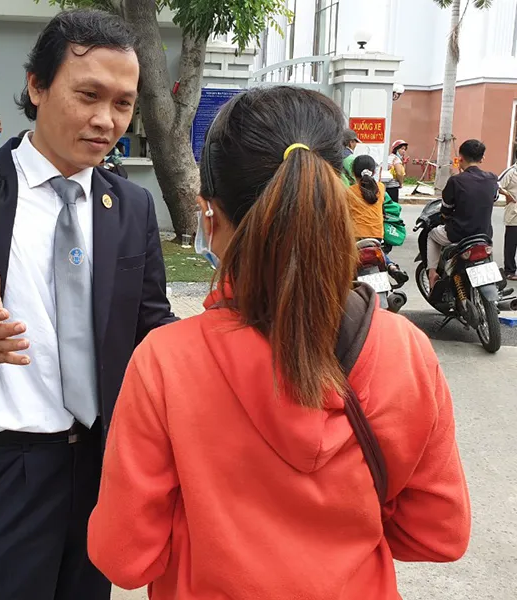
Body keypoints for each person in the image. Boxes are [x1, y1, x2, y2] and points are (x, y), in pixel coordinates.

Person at [88, 86, 471, 599]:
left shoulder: (165, 362)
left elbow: (125, 557)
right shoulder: (404, 349)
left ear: (209, 214)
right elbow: (437, 533)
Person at [0, 9, 176, 600]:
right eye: (88, 95)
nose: (106, 120)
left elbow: (151, 324)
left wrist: (221, 341)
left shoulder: (131, 208)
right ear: (37, 86)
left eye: (123, 104)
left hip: (98, 469)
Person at [427, 139, 499, 289]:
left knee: (432, 235)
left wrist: (446, 217)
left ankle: (432, 273)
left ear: (460, 158)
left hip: (459, 234)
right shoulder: (492, 178)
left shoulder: (455, 181)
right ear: (482, 158)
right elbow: (494, 198)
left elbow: (446, 210)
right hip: (484, 235)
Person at [348, 155, 408, 284]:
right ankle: (391, 266)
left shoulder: (348, 192)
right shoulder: (381, 188)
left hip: (356, 237)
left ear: (353, 173)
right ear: (374, 172)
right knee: (377, 250)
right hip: (377, 236)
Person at [499, 163, 517, 280]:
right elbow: (496, 185)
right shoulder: (511, 171)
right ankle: (509, 271)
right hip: (514, 213)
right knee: (511, 243)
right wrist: (507, 195)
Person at [385, 139, 407, 203]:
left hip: (385, 186)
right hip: (393, 186)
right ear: (396, 149)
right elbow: (399, 173)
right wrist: (401, 183)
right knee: (393, 205)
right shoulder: (396, 159)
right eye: (402, 149)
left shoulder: (389, 157)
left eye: (405, 149)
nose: (404, 151)